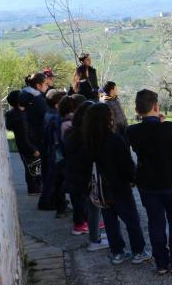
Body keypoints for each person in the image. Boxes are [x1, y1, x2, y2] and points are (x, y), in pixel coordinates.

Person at [126, 89, 172, 276]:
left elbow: (129, 156)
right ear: (156, 106)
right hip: (171, 181)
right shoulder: (170, 127)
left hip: (147, 184)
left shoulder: (131, 131)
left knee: (155, 222)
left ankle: (161, 263)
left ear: (138, 110)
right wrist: (171, 157)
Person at [82, 103, 151, 265]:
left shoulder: (88, 140)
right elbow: (126, 164)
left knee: (110, 221)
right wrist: (133, 179)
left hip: (101, 190)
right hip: (120, 187)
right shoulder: (115, 140)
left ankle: (117, 252)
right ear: (107, 119)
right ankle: (139, 251)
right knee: (131, 220)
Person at [63, 101, 108, 252]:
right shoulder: (84, 137)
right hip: (83, 179)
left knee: (90, 208)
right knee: (93, 208)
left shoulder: (72, 132)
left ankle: (95, 236)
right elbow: (89, 159)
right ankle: (94, 240)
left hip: (74, 177)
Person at [19, 73, 50, 209]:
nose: (47, 85)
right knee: (46, 169)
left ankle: (42, 194)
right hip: (39, 137)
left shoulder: (26, 97)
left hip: (33, 135)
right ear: (38, 86)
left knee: (39, 169)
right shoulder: (37, 99)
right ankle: (45, 199)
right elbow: (45, 117)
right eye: (45, 84)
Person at [5, 90, 42, 195]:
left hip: (26, 146)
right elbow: (23, 137)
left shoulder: (17, 113)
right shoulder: (19, 117)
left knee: (32, 167)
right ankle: (34, 189)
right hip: (28, 146)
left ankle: (36, 187)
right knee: (33, 168)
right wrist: (33, 149)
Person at [43, 89, 68, 218]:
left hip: (52, 153)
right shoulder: (55, 118)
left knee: (57, 182)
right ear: (58, 105)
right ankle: (61, 208)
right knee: (60, 182)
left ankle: (60, 207)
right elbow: (58, 138)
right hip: (58, 154)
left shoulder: (48, 114)